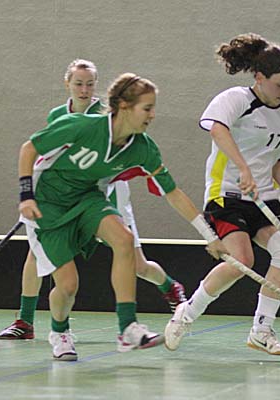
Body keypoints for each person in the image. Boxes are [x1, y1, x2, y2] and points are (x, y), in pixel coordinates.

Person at [17, 72, 227, 360]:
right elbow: (29, 149)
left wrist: (209, 236)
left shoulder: (143, 148)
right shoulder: (82, 125)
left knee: (124, 239)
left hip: (88, 198)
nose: (153, 115)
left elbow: (173, 193)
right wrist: (26, 196)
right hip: (48, 205)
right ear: (124, 106)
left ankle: (127, 328)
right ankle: (60, 332)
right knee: (67, 285)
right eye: (147, 108)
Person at [0, 60, 187, 340]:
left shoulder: (107, 114)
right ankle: (25, 320)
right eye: (78, 84)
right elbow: (46, 154)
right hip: (62, 197)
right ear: (67, 84)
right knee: (36, 254)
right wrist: (32, 194)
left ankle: (169, 287)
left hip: (107, 194)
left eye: (89, 84)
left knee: (135, 263)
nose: (84, 90)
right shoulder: (58, 115)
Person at [164, 33, 280, 355]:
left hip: (265, 198)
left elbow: (275, 159)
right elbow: (217, 129)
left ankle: (262, 330)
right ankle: (186, 314)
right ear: (259, 77)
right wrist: (243, 168)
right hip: (226, 194)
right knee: (242, 262)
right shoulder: (235, 99)